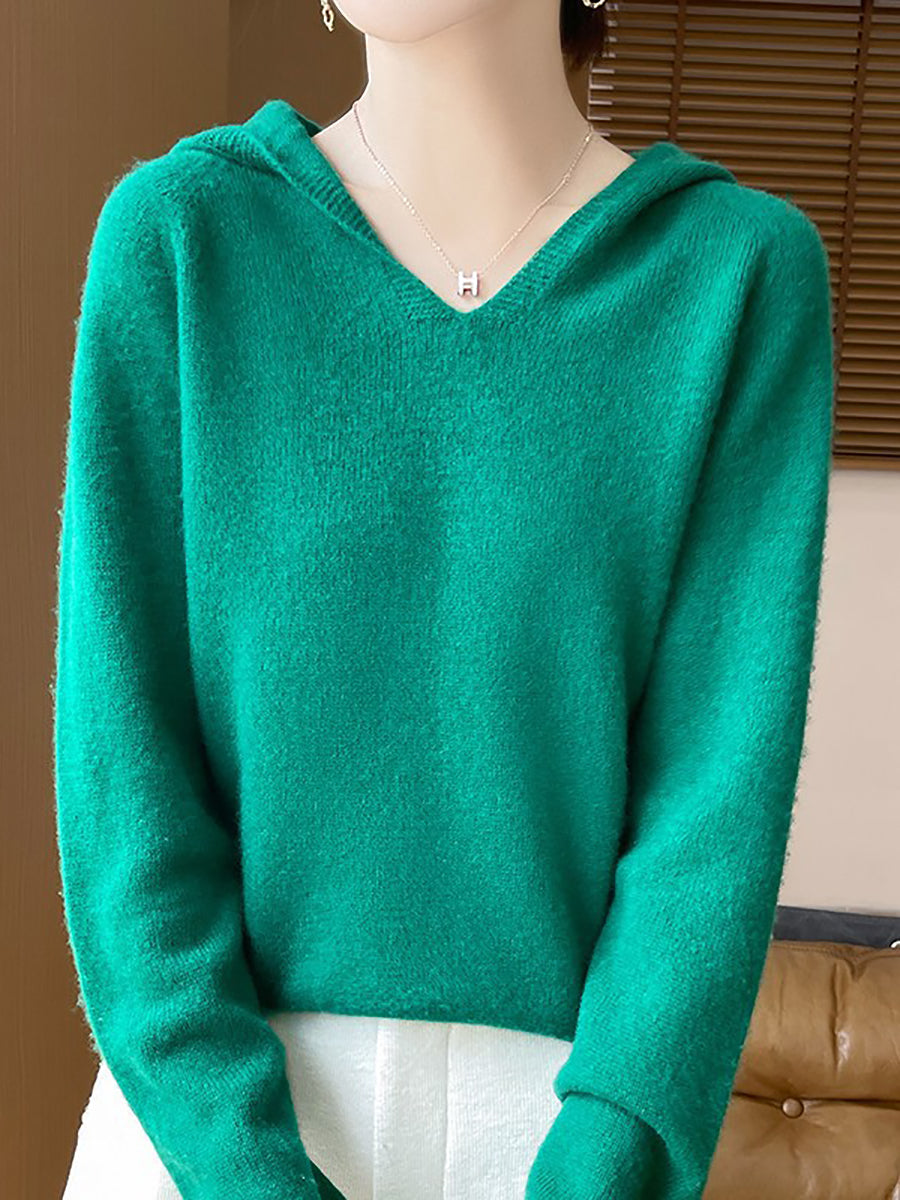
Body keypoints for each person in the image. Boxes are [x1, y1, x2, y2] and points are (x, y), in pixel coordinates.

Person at [53, 1, 836, 1198]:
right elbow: (125, 772)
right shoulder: (184, 237)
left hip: (561, 1135)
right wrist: (244, 1170)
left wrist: (604, 1164)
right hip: (204, 1142)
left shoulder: (734, 274)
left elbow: (715, 802)